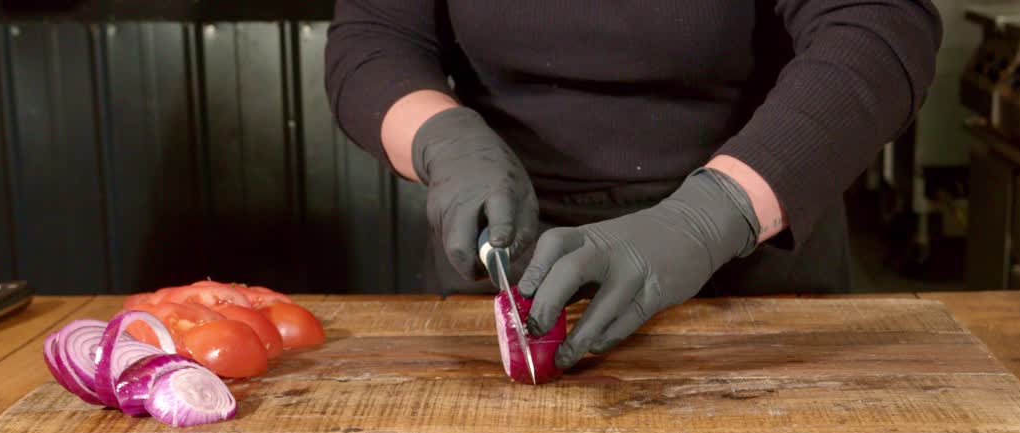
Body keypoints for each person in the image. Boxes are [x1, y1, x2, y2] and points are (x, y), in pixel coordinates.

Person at [326, 1, 942, 370]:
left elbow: (878, 27)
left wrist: (711, 216)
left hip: (753, 283)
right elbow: (375, 39)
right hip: (503, 270)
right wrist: (442, 135)